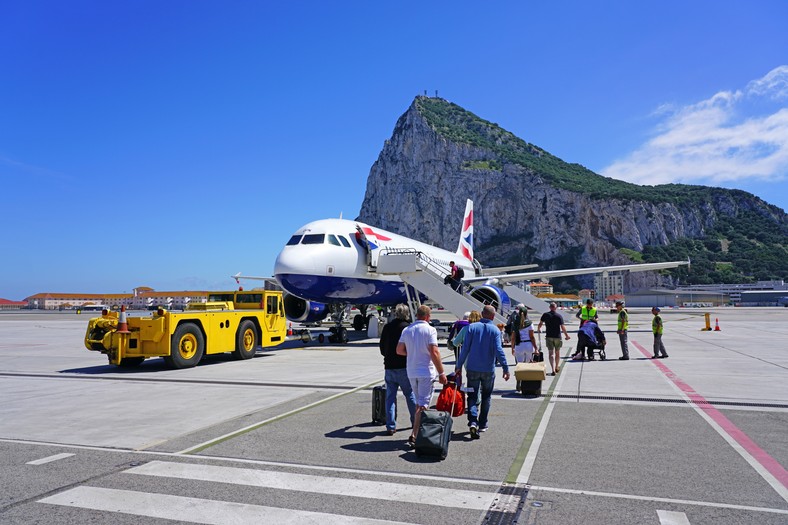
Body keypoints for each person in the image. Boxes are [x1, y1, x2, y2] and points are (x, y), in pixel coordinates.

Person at [454, 305, 510, 439]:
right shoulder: (495, 330)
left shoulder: (472, 328)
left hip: (472, 368)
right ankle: (483, 423)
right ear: (492, 316)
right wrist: (505, 368)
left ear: (482, 314)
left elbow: (465, 348)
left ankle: (473, 421)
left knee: (472, 396)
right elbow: (499, 350)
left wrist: (458, 366)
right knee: (486, 397)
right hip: (488, 370)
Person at [396, 305, 447, 448]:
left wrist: (413, 354)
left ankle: (417, 432)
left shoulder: (407, 329)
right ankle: (415, 434)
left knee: (419, 402)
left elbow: (399, 350)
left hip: (411, 371)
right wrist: (442, 373)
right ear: (427, 316)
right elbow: (434, 352)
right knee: (423, 405)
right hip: (425, 372)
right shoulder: (430, 330)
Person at [378, 304, 417, 435]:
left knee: (390, 398)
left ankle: (390, 426)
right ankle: (415, 422)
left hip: (389, 366)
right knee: (410, 395)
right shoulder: (408, 328)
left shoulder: (388, 327)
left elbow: (382, 348)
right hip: (404, 367)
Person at [538, 302, 571, 375]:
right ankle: (556, 366)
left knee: (551, 353)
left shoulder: (545, 315)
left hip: (549, 336)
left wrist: (539, 329)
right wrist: (566, 336)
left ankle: (552, 369)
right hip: (557, 337)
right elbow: (562, 327)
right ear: (556, 308)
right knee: (557, 352)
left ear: (550, 307)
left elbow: (540, 323)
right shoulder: (559, 316)